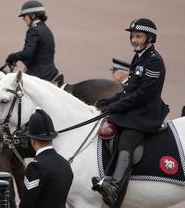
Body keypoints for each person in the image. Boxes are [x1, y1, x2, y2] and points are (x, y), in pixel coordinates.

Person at [92, 18, 170, 207]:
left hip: (145, 114)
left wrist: (116, 107)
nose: (134, 40)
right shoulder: (139, 56)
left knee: (126, 140)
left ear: (149, 38)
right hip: (135, 109)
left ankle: (115, 187)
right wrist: (110, 101)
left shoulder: (154, 62)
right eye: (132, 36)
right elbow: (130, 89)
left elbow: (143, 95)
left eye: (138, 36)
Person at [19, 109, 73, 208]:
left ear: (32, 140)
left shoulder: (35, 167)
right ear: (51, 138)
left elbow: (26, 204)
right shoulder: (65, 164)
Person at [6, 0, 60, 82]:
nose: (23, 19)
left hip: (39, 74)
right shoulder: (46, 29)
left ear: (33, 15)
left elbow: (27, 53)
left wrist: (13, 57)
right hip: (51, 72)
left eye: (24, 16)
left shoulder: (33, 30)